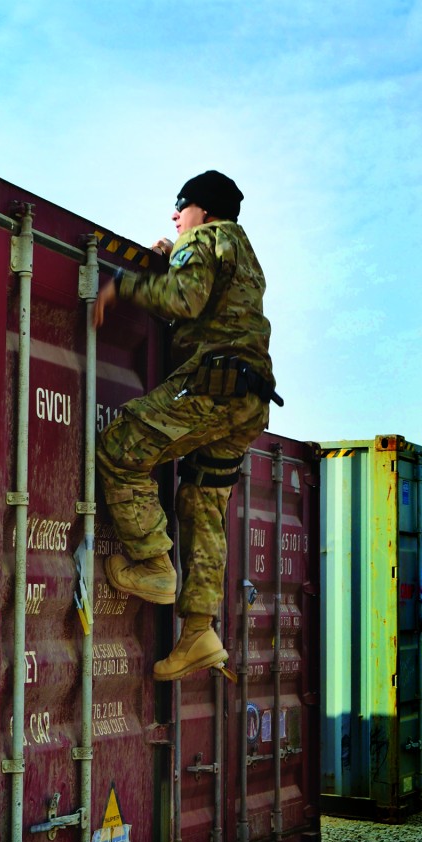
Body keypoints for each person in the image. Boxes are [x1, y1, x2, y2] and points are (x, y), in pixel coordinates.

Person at [93, 170, 280, 682]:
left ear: (206, 209)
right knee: (201, 502)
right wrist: (168, 255)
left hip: (211, 386)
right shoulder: (243, 253)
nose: (176, 215)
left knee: (118, 446)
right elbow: (206, 297)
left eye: (182, 205)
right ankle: (199, 632)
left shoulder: (204, 237)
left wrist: (123, 286)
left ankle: (153, 563)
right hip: (249, 401)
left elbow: (184, 299)